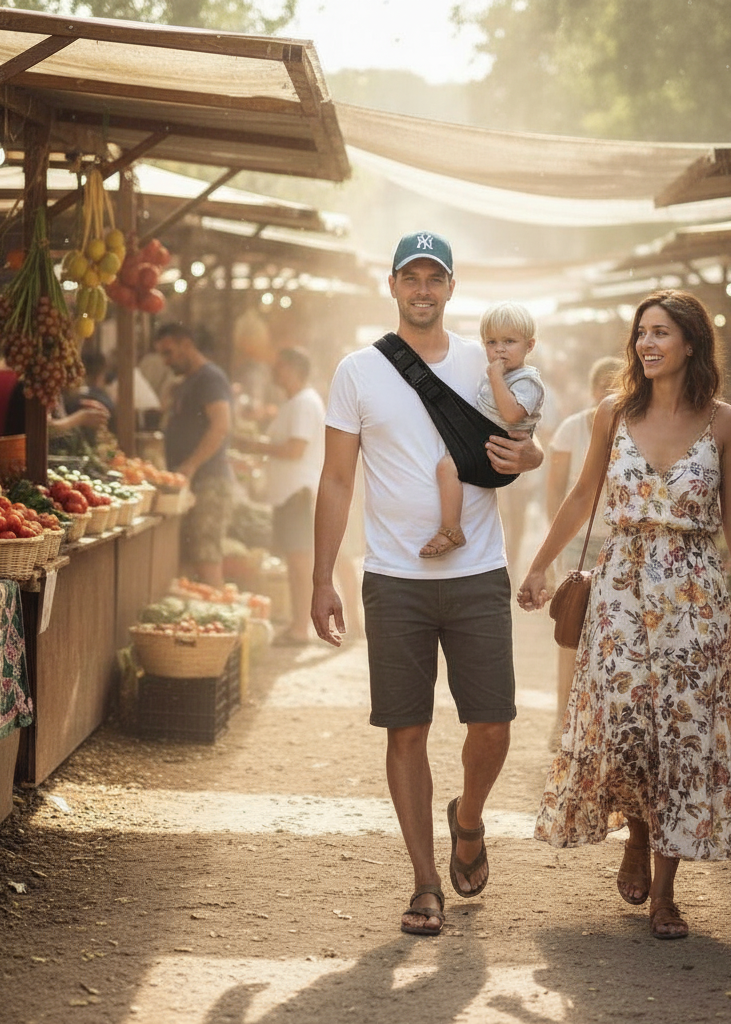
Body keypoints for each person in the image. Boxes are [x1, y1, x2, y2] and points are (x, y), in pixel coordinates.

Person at [311, 230, 543, 938]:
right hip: (393, 576)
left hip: (477, 572)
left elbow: (527, 440)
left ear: (450, 287)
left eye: (432, 277)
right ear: (392, 286)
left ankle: (467, 819)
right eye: (409, 277)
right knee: (405, 729)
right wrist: (323, 577)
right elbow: (337, 477)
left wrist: (529, 455)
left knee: (493, 724)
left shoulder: (487, 360)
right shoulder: (357, 370)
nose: (421, 289)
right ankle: (424, 883)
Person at [517, 289, 731, 941]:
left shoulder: (725, 424)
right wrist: (542, 564)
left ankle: (665, 894)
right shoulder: (612, 414)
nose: (647, 344)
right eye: (641, 334)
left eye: (661, 333)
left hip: (695, 597)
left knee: (683, 742)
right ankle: (637, 833)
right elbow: (582, 495)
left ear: (691, 343)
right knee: (627, 730)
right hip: (622, 593)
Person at [420, 301, 545, 558]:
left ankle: (451, 529)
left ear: (529, 345)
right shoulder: (491, 371)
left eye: (509, 342)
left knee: (447, 467)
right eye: (491, 342)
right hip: (484, 440)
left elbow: (511, 415)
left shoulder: (527, 380)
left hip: (497, 449)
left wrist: (496, 378)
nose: (499, 350)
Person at [545, 355, 622, 750]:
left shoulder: (635, 427)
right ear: (593, 391)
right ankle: (563, 720)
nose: (612, 396)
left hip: (620, 543)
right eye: (606, 389)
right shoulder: (571, 429)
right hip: (579, 542)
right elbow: (557, 488)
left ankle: (601, 725)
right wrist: (554, 540)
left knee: (613, 636)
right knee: (572, 630)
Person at [237, 346, 326, 645]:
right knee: (296, 562)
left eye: (280, 366)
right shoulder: (296, 402)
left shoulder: (303, 402)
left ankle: (301, 628)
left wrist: (254, 446)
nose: (275, 372)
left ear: (293, 369)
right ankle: (298, 624)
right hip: (291, 494)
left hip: (297, 493)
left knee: (300, 564)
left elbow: (294, 449)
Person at [156, 322, 233, 587]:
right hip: (191, 482)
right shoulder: (187, 382)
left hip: (209, 480)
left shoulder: (209, 377)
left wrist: (190, 465)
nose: (166, 361)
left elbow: (221, 425)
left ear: (186, 344)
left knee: (205, 555)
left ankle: (219, 620)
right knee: (190, 557)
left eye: (169, 352)